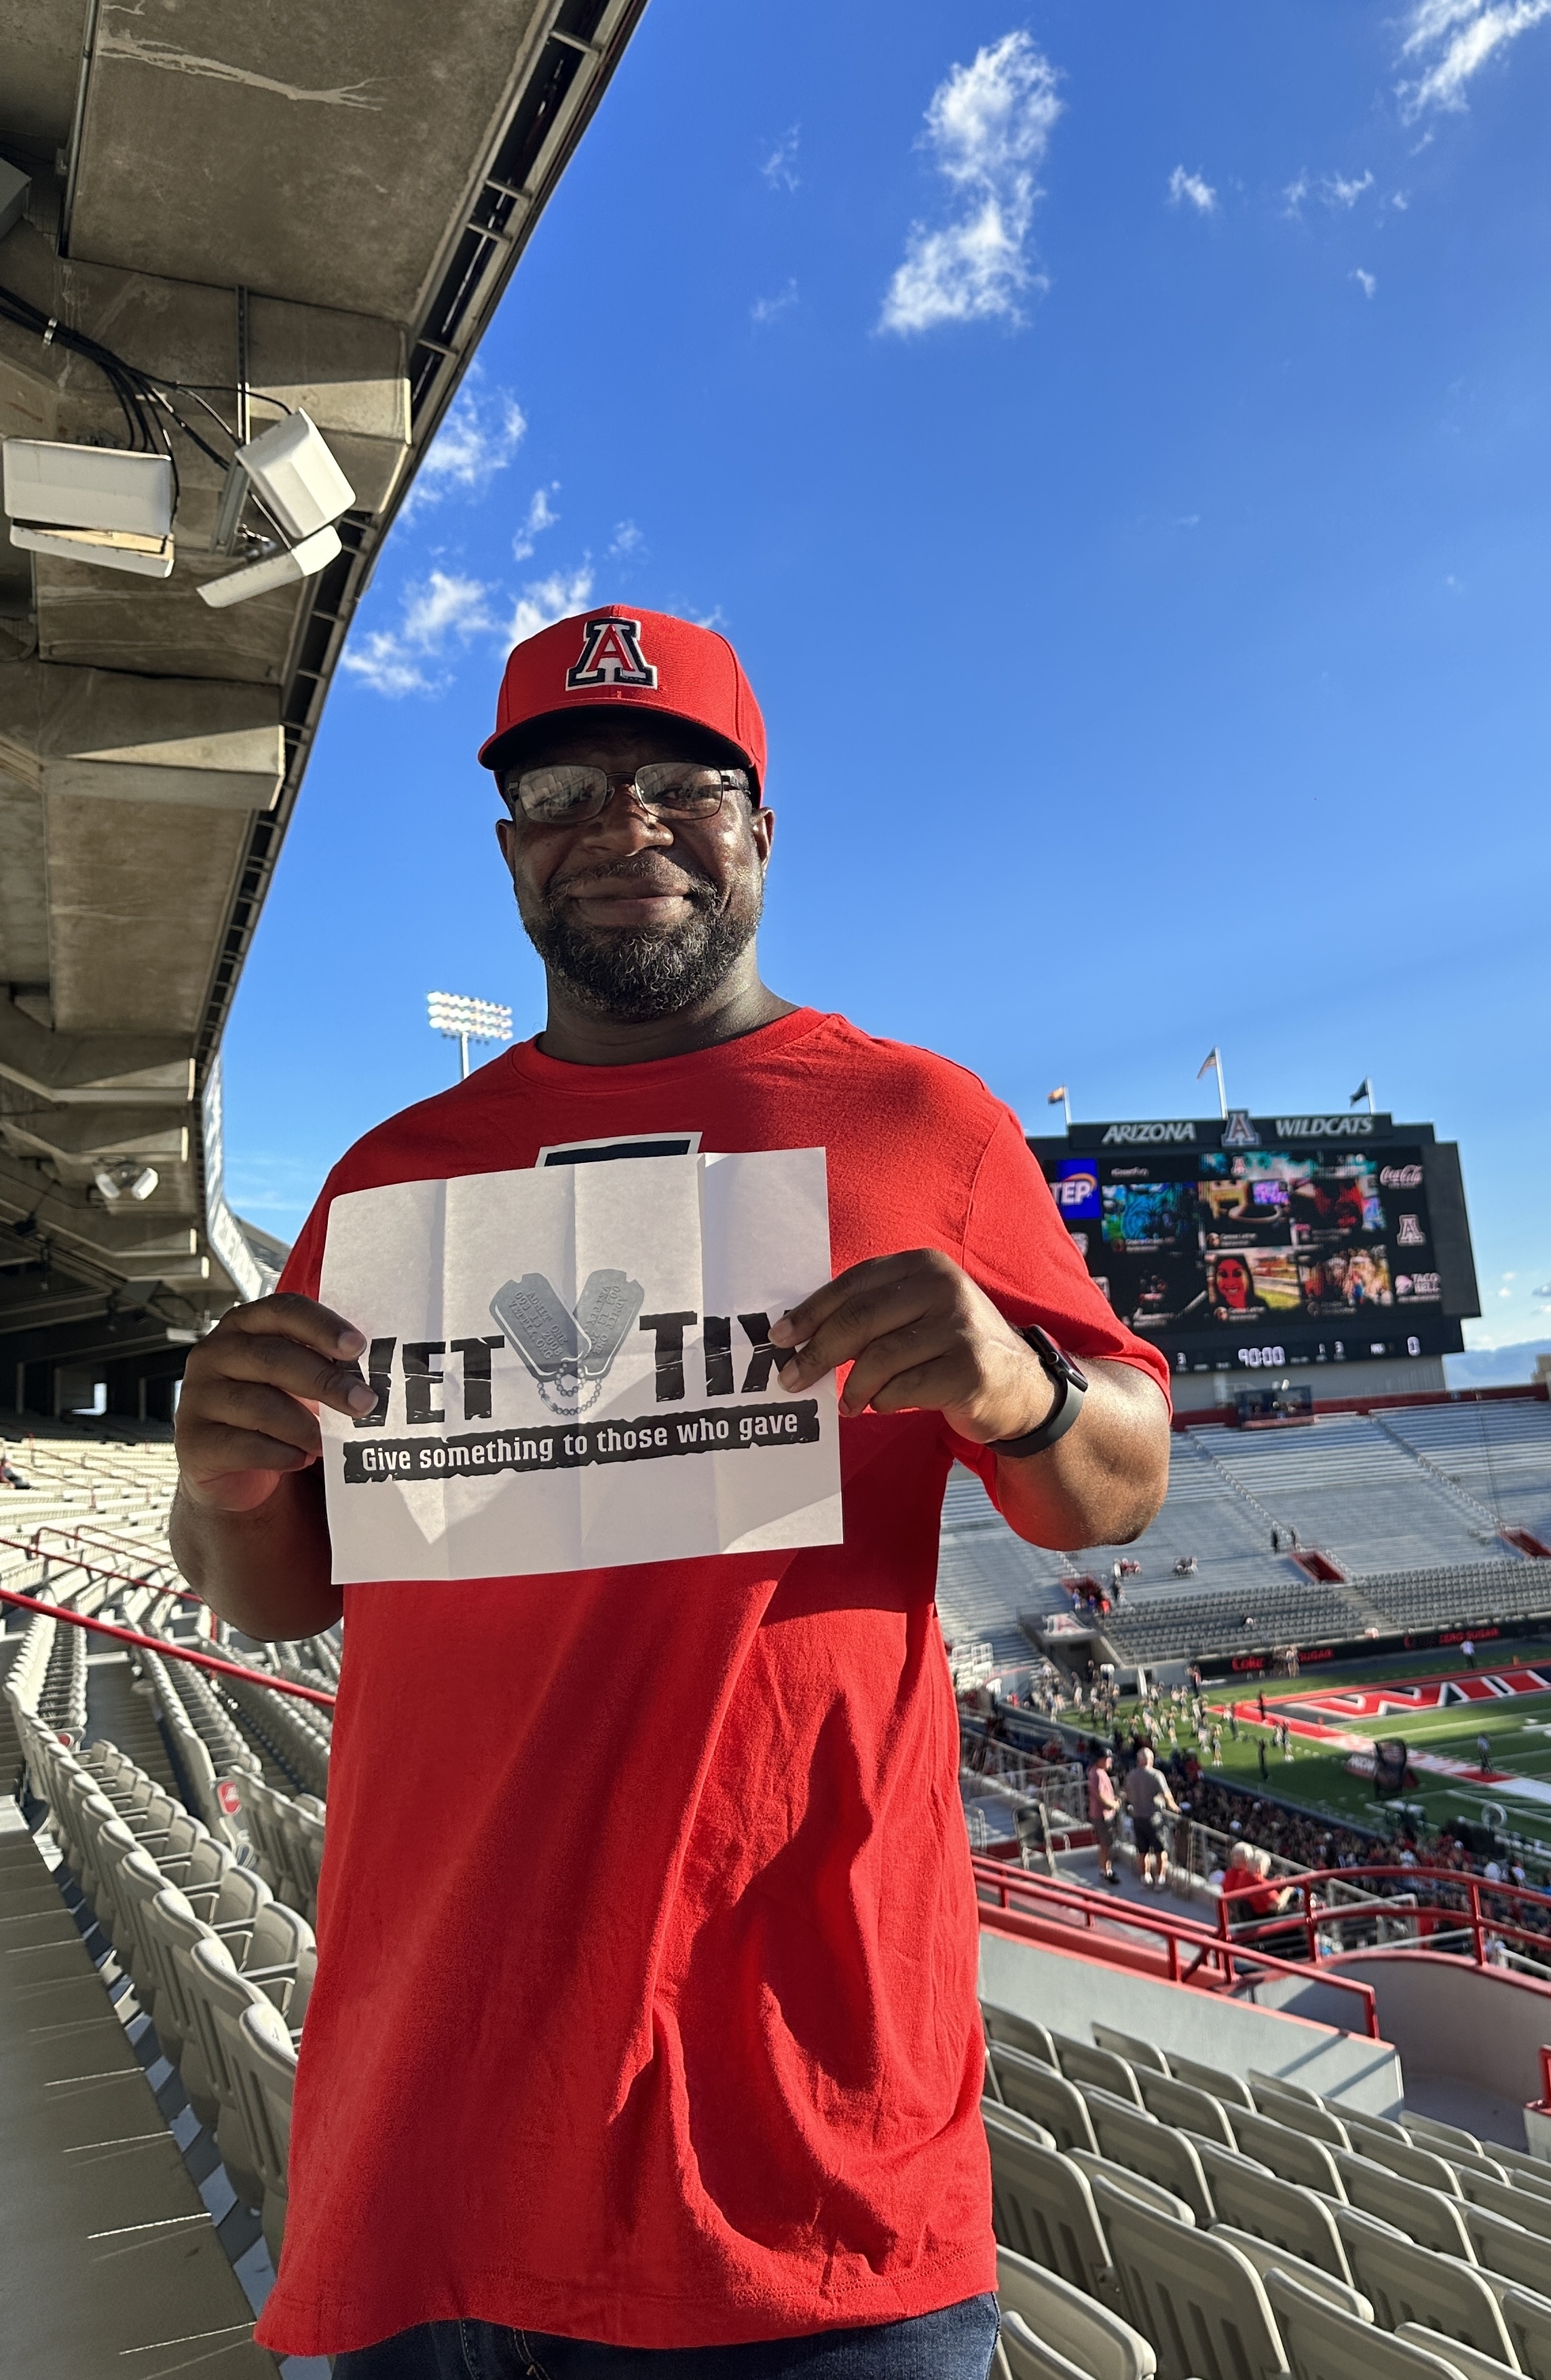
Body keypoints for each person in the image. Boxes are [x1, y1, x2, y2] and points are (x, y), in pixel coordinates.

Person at [166, 607, 1173, 2374]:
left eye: (681, 784)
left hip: (804, 2160)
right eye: (564, 789)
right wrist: (225, 1474)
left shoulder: (921, 1122)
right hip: (433, 2141)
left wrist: (1024, 1389)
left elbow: (1117, 1489)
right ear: (510, 852)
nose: (623, 824)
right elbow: (279, 1589)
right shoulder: (392, 1178)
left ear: (760, 830)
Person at [1125, 1744, 1178, 1886]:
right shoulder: (1156, 1775)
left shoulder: (1131, 1776)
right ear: (1150, 1760)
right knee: (1160, 1850)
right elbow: (1167, 1795)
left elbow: (1128, 1796)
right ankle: (1160, 1879)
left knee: (1143, 1851)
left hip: (1137, 1817)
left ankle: (1145, 1876)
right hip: (1154, 1818)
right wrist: (1174, 1807)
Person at [1085, 1744, 1121, 1882]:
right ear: (1101, 1760)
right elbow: (1099, 1795)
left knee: (1107, 1843)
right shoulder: (1097, 1774)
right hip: (1102, 1815)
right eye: (1108, 1759)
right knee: (1106, 1843)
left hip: (1103, 1814)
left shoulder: (1098, 1772)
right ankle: (1105, 1871)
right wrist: (1114, 1804)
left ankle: (1107, 1870)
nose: (1110, 1761)